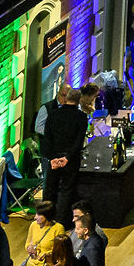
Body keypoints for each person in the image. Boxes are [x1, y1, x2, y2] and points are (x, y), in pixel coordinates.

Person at [40, 84, 90, 224]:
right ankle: (61, 222)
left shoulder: (53, 114)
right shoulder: (81, 117)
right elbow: (78, 141)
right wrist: (67, 157)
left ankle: (45, 219)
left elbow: (47, 138)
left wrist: (53, 158)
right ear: (79, 100)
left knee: (50, 189)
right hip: (70, 160)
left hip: (54, 159)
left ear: (66, 98)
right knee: (66, 191)